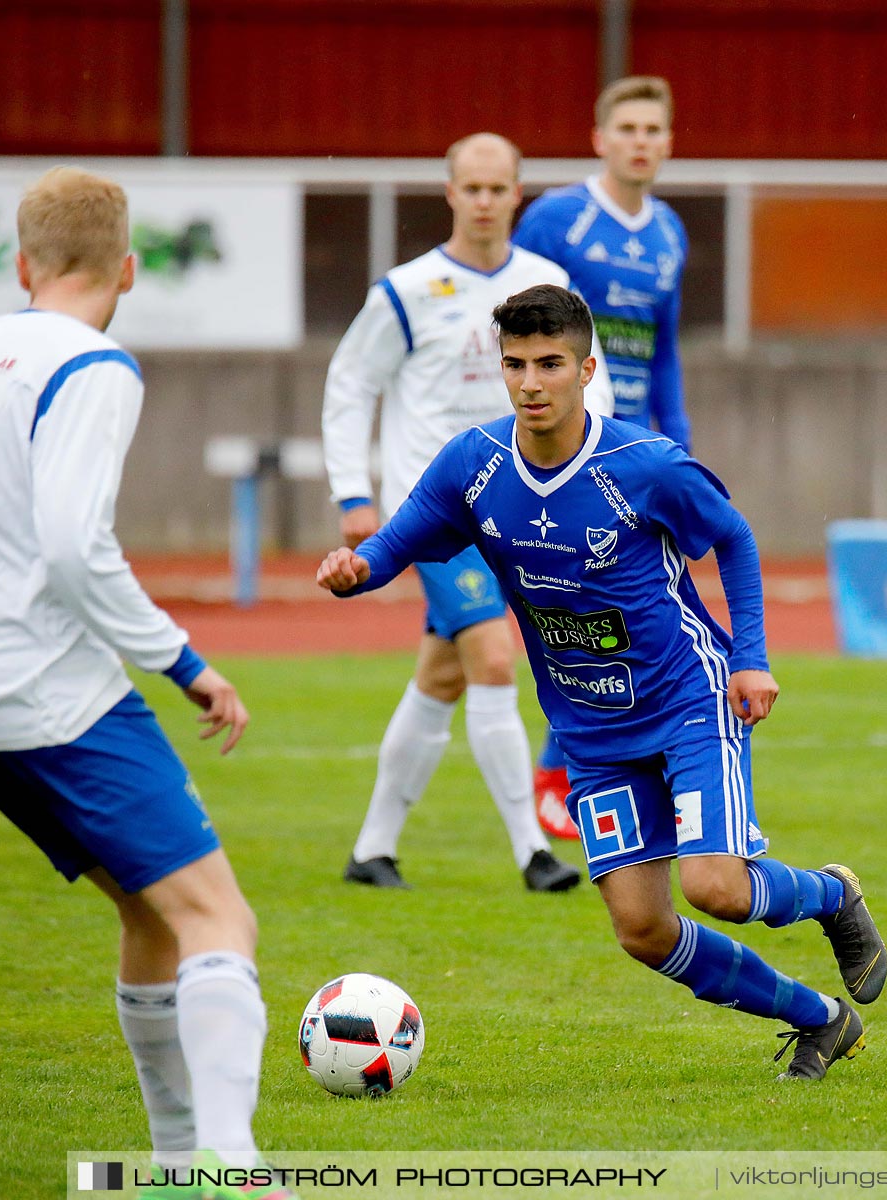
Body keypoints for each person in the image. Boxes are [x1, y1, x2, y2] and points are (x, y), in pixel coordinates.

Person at [316, 285, 887, 1081]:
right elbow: (396, 542)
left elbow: (734, 537)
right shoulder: (474, 467)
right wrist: (356, 568)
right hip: (591, 732)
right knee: (643, 931)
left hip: (690, 700)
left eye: (550, 364)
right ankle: (820, 1020)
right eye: (515, 365)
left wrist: (752, 656)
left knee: (715, 886)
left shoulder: (643, 465)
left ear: (587, 368)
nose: (530, 383)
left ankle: (830, 896)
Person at [0, 167, 289, 1198]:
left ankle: (178, 1169)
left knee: (151, 918)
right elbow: (72, 545)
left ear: (22, 264)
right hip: (57, 695)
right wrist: (186, 661)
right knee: (221, 921)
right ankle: (234, 1169)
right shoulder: (92, 363)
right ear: (127, 270)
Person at [323, 133, 613, 892]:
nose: (485, 200)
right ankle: (532, 852)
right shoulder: (407, 289)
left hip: (529, 512)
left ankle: (372, 850)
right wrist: (355, 493)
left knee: (442, 676)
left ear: (518, 193)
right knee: (492, 657)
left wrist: (604, 482)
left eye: (499, 187)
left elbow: (595, 387)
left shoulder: (547, 280)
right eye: (471, 187)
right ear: (450, 192)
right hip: (443, 514)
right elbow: (351, 384)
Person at [513, 75, 690, 839]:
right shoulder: (557, 219)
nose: (642, 142)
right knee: (576, 603)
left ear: (669, 143)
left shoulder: (669, 233)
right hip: (572, 446)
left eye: (655, 130)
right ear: (601, 140)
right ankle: (563, 764)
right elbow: (518, 329)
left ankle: (598, 765)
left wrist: (680, 446)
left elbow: (665, 353)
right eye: (629, 129)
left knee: (644, 610)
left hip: (642, 452)